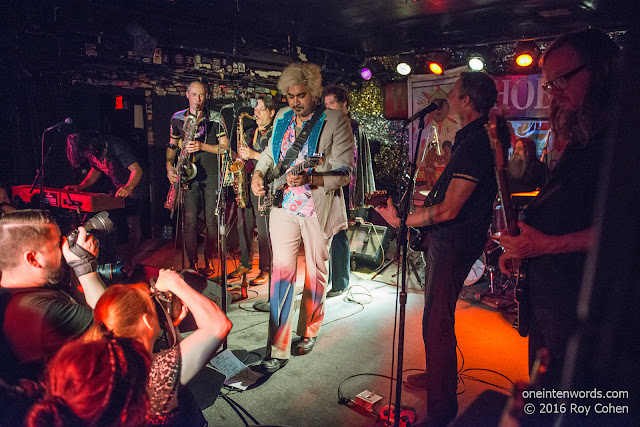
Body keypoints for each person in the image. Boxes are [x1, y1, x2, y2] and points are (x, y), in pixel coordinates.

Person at [499, 28, 620, 391]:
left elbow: (626, 230)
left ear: (602, 71)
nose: (555, 93)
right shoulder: (587, 138)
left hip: (587, 309)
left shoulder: (624, 139)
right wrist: (525, 247)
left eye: (562, 80)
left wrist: (544, 245)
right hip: (552, 299)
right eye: (550, 85)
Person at [377, 72, 498, 426]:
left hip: (455, 242)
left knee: (437, 322)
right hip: (450, 239)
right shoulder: (469, 139)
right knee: (437, 318)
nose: (449, 96)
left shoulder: (475, 144)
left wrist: (402, 221)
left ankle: (442, 410)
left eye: (455, 92)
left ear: (467, 101)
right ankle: (439, 386)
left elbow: (448, 210)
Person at [251, 63, 354, 373]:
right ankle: (277, 348)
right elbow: (270, 154)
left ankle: (308, 330)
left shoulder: (336, 121)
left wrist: (312, 179)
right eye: (290, 95)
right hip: (283, 206)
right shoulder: (282, 117)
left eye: (301, 95)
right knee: (281, 276)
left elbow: (344, 172)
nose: (295, 102)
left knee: (315, 272)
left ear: (315, 92)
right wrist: (258, 173)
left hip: (316, 208)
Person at [86, 269, 232, 424]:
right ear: (147, 322)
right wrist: (176, 283)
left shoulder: (121, 365)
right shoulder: (155, 374)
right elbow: (218, 325)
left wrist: (172, 327)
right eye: (152, 307)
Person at [0, 209, 106, 383]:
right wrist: (86, 269)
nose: (64, 249)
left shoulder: (12, 294)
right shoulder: (41, 310)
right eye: (57, 244)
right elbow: (120, 325)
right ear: (33, 259)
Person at [166, 81, 230, 277]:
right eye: (194, 95)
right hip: (188, 175)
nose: (198, 100)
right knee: (189, 220)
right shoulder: (177, 118)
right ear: (187, 95)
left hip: (211, 174)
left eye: (201, 95)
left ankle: (209, 260)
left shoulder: (215, 117)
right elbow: (172, 145)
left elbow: (225, 147)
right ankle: (192, 263)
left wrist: (203, 147)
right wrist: (169, 166)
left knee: (212, 221)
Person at [323, 84, 376, 297]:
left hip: (343, 185)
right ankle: (325, 278)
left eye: (332, 103)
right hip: (327, 183)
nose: (328, 108)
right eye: (325, 104)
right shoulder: (328, 124)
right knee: (325, 232)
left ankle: (340, 282)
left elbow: (350, 162)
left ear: (345, 105)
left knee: (338, 232)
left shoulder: (351, 126)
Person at [65, 131, 144, 265]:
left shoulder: (115, 145)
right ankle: (113, 259)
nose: (87, 156)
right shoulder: (91, 152)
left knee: (133, 224)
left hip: (134, 186)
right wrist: (81, 186)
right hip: (117, 188)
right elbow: (95, 170)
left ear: (90, 144)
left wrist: (128, 187)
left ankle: (130, 260)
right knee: (112, 224)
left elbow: (137, 170)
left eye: (86, 153)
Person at [229, 97, 276, 285]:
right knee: (243, 224)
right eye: (255, 109)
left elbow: (275, 160)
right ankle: (245, 262)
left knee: (264, 230)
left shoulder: (275, 133)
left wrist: (253, 154)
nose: (255, 113)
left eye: (261, 109)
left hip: (266, 186)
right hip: (246, 183)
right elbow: (242, 157)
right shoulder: (251, 132)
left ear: (272, 112)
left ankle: (266, 268)